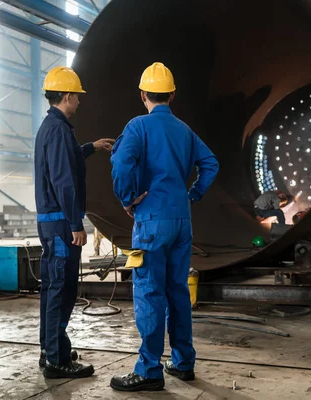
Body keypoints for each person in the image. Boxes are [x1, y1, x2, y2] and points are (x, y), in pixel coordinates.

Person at [109, 62, 219, 392]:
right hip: (181, 220)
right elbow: (211, 164)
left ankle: (149, 370)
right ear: (173, 95)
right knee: (178, 292)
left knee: (150, 293)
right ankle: (183, 363)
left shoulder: (137, 126)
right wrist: (193, 193)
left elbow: (121, 163)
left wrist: (129, 198)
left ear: (143, 94)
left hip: (151, 221)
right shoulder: (185, 131)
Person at [34, 66, 114, 379]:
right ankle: (56, 359)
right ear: (67, 96)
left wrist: (90, 148)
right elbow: (63, 181)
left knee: (54, 288)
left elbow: (65, 162)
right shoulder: (58, 129)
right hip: (60, 225)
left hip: (52, 223)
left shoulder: (54, 128)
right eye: (77, 97)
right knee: (61, 289)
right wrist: (76, 224)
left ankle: (51, 349)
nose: (79, 102)